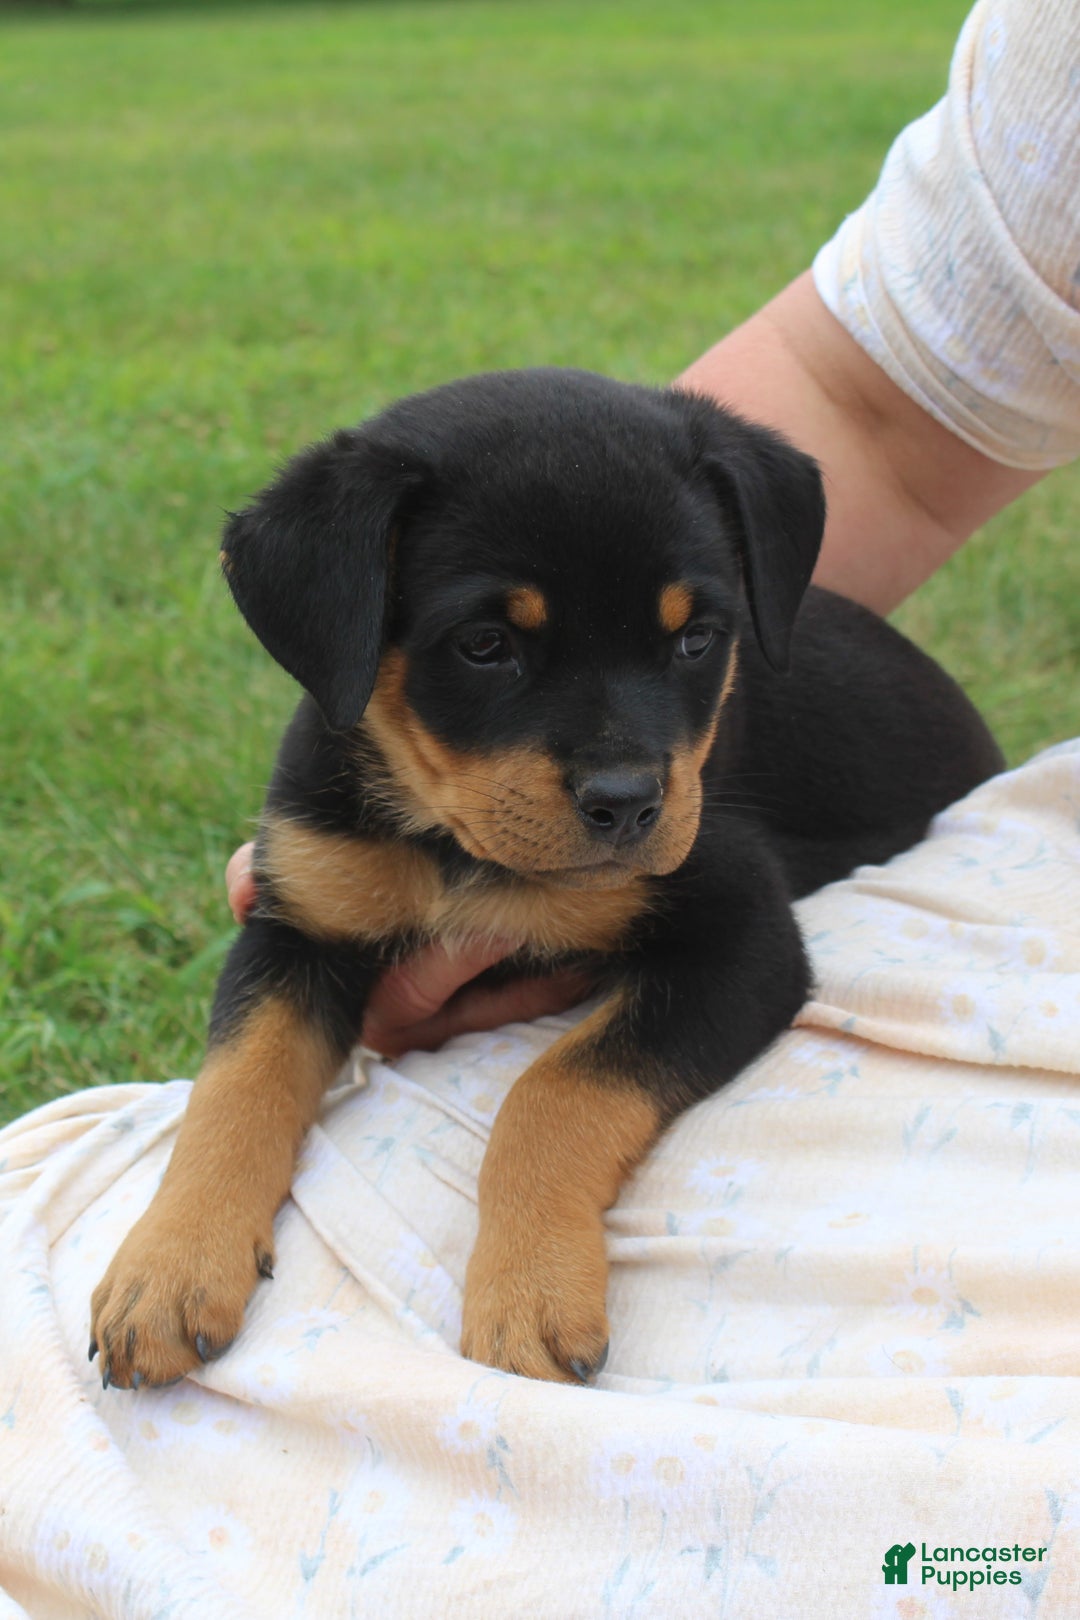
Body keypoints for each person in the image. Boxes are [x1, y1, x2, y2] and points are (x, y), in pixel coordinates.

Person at [225, 0, 1079, 1058]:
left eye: (690, 642)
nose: (626, 778)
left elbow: (743, 955)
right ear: (340, 622)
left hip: (942, 883)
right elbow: (881, 411)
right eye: (488, 646)